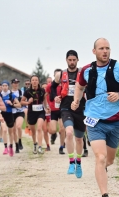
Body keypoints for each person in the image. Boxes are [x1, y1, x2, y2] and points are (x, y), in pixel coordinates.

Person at [71, 38, 119, 197]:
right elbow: (80, 87)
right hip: (94, 120)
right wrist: (76, 100)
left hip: (115, 121)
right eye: (101, 48)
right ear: (94, 51)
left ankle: (104, 167)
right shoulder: (86, 70)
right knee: (100, 157)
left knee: (109, 160)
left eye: (107, 48)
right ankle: (105, 195)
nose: (105, 51)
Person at [52, 50, 86, 178]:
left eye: (74, 60)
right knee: (69, 132)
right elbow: (52, 88)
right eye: (70, 60)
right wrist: (56, 97)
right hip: (66, 108)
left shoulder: (83, 74)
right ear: (66, 60)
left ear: (77, 60)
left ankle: (79, 163)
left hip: (80, 108)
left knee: (79, 138)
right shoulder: (60, 75)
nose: (72, 62)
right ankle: (71, 162)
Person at [21, 75, 48, 154]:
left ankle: (40, 147)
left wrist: (46, 108)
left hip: (40, 112)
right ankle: (35, 144)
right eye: (33, 80)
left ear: (38, 81)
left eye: (36, 80)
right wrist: (28, 102)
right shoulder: (27, 91)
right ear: (31, 82)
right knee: (33, 131)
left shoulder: (42, 90)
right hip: (31, 112)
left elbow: (44, 100)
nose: (34, 81)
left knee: (39, 128)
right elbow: (21, 102)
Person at [0, 80, 21, 156]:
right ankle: (5, 147)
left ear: (8, 87)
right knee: (4, 130)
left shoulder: (12, 95)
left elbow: (19, 105)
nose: (4, 87)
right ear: (1, 87)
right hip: (2, 114)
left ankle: (11, 146)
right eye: (3, 86)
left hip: (10, 114)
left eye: (6, 86)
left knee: (11, 132)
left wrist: (11, 104)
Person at [46, 68, 65, 155]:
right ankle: (54, 135)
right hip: (53, 110)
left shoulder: (64, 84)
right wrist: (47, 106)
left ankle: (61, 146)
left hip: (62, 109)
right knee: (52, 130)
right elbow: (46, 96)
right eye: (56, 75)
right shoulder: (50, 86)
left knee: (62, 129)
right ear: (54, 76)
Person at [11, 78, 25, 152]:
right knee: (13, 130)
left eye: (17, 83)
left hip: (20, 112)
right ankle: (16, 145)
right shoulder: (9, 93)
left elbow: (23, 102)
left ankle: (20, 140)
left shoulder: (21, 92)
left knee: (19, 126)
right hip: (12, 113)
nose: (16, 84)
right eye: (14, 83)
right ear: (12, 84)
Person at [41, 82, 51, 151]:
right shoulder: (40, 96)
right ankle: (48, 145)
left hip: (50, 115)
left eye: (45, 87)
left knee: (51, 130)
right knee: (45, 130)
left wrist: (50, 110)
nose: (44, 89)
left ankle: (54, 135)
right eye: (43, 87)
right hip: (43, 115)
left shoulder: (51, 95)